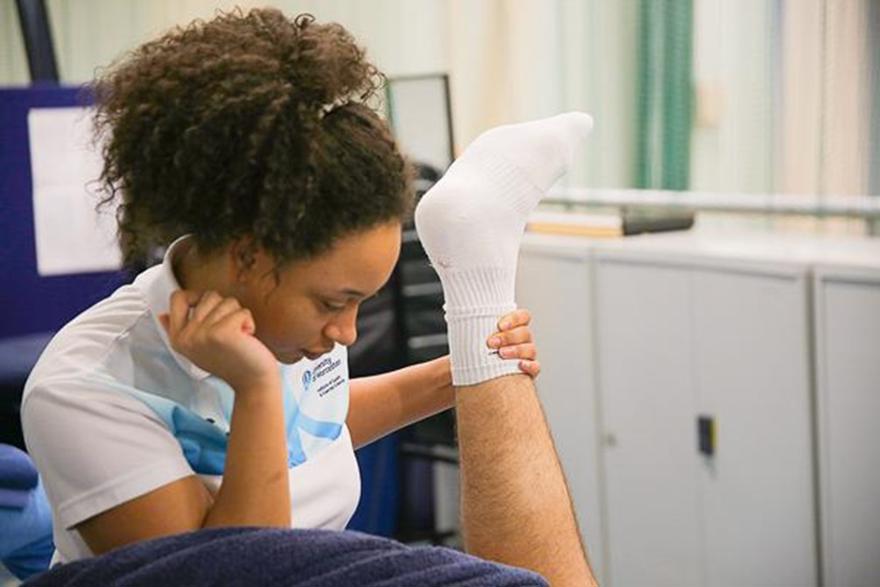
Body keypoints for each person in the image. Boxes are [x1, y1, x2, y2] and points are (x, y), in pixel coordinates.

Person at [21, 8, 597, 587]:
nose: (347, 333)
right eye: (332, 303)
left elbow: (318, 425)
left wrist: (465, 371)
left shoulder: (280, 324)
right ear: (248, 256)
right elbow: (246, 571)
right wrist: (257, 389)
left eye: (359, 304)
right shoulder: (86, 389)